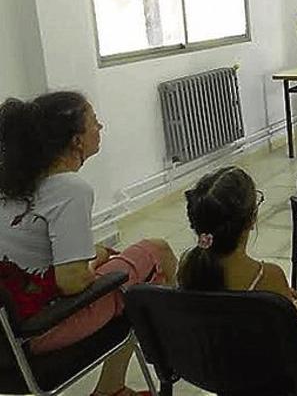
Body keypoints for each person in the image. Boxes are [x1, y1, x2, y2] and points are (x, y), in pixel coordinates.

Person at [0, 92, 178, 396]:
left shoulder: (14, 183)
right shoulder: (69, 189)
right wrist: (96, 261)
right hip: (43, 325)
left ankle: (114, 386)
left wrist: (94, 254)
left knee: (127, 266)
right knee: (156, 255)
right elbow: (71, 282)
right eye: (94, 122)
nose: (101, 126)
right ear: (76, 141)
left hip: (8, 331)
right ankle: (175, 353)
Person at [177, 166, 297, 395]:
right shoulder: (267, 275)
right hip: (272, 379)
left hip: (218, 371)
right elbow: (295, 348)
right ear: (251, 220)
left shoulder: (188, 269)